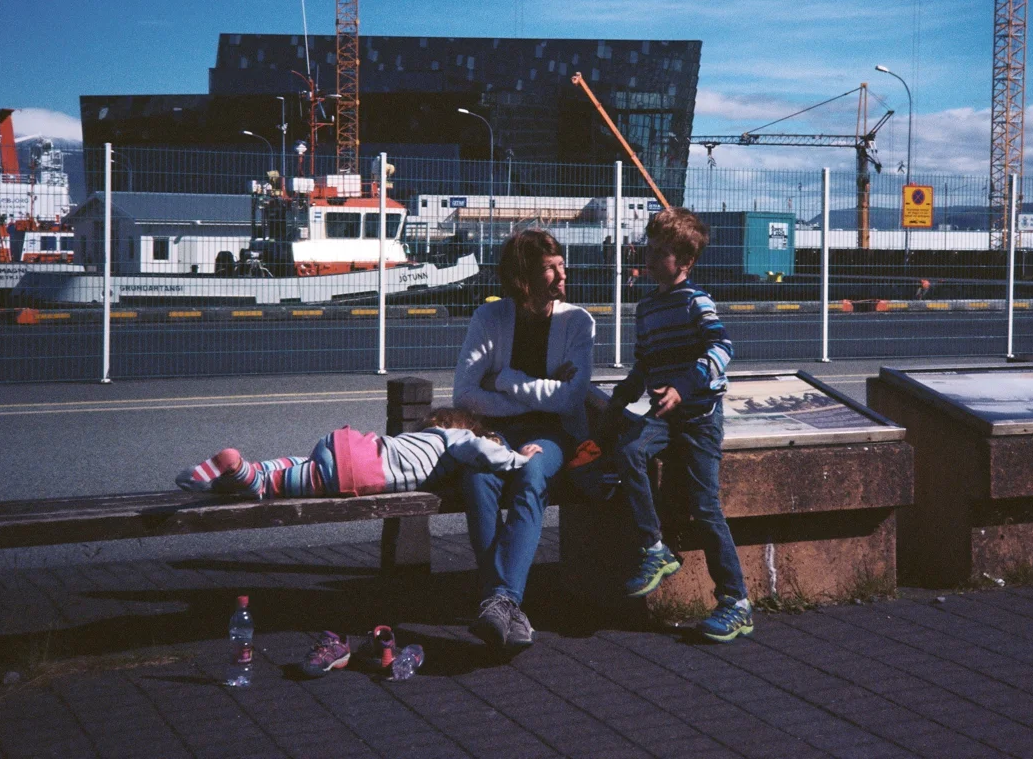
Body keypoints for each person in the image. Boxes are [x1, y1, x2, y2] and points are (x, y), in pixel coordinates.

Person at [608, 206, 750, 642]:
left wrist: (684, 387)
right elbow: (646, 361)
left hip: (700, 417)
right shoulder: (646, 307)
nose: (650, 258)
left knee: (705, 507)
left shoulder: (695, 301)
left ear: (685, 262)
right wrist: (625, 392)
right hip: (664, 416)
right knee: (629, 450)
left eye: (661, 253)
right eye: (649, 249)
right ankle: (655, 548)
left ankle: (736, 603)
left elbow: (722, 347)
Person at [453, 228, 595, 652]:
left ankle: (498, 599)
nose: (562, 275)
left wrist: (505, 379)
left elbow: (569, 399)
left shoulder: (578, 322)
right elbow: (465, 395)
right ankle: (505, 604)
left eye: (562, 265)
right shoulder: (489, 318)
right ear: (523, 278)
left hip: (551, 432)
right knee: (478, 477)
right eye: (550, 268)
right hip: (497, 431)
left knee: (532, 474)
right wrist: (539, 392)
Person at [174, 407, 543, 499]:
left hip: (350, 445)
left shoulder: (427, 437)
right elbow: (480, 448)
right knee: (268, 488)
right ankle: (240, 470)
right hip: (359, 470)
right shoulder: (458, 438)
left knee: (302, 466)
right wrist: (518, 458)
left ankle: (239, 473)